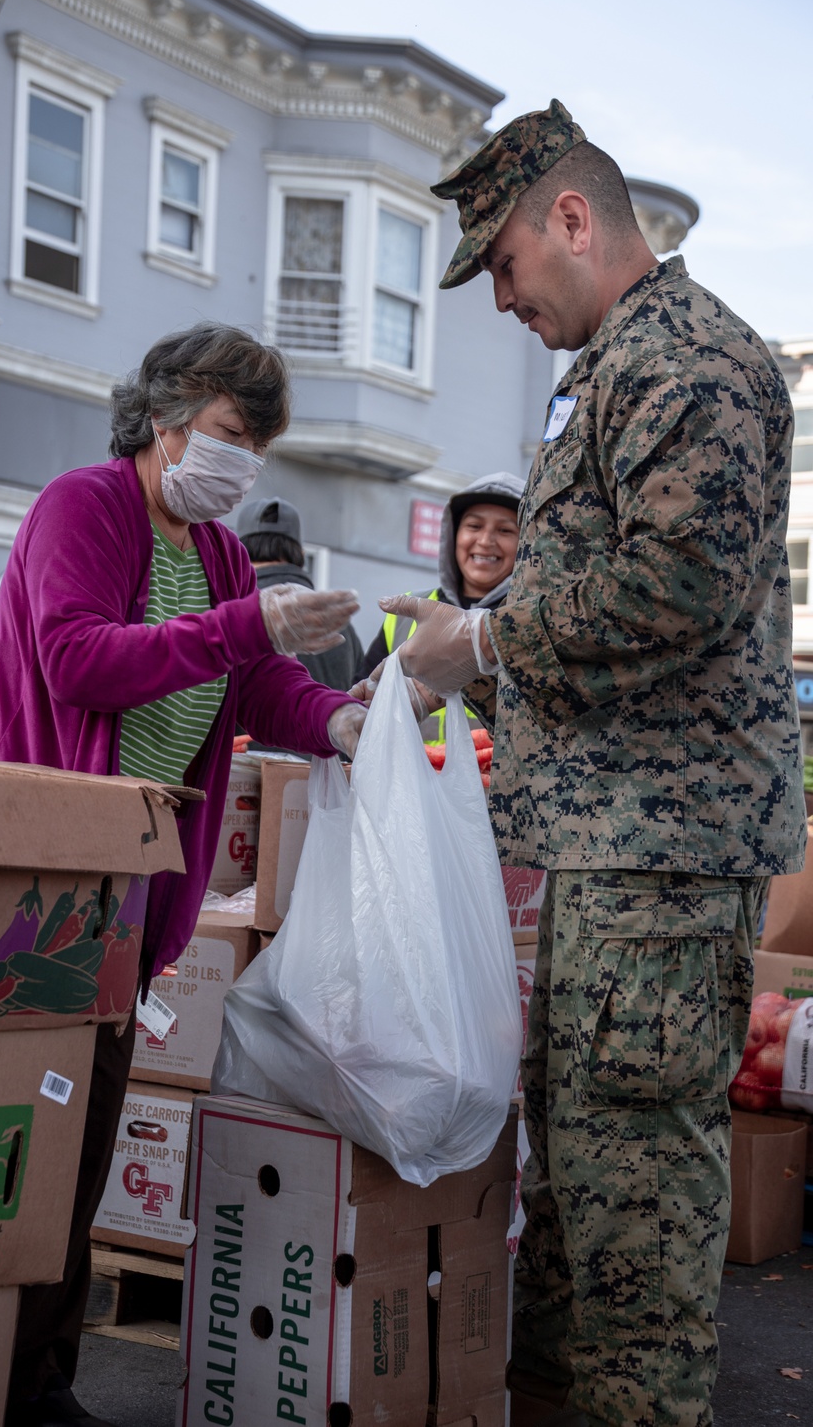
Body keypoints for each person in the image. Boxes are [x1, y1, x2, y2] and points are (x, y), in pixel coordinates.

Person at [374, 102, 805, 1427]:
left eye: (501, 265)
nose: (498, 300)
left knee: (632, 1217)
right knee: (576, 1181)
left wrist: (482, 640)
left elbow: (678, 585)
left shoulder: (686, 362)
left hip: (657, 858)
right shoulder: (617, 365)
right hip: (603, 847)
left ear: (572, 220)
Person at [0, 323, 368, 1427]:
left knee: (75, 1144)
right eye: (231, 435)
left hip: (119, 898)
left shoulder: (219, 552)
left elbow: (258, 690)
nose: (243, 463)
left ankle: (38, 1383)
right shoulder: (82, 507)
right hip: (19, 877)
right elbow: (78, 660)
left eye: (260, 445)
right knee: (13, 1138)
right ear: (164, 419)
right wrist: (238, 627)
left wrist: (341, 719)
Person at [356, 473, 524, 741]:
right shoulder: (405, 614)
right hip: (410, 782)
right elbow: (363, 701)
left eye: (505, 530)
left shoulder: (530, 623)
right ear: (452, 534)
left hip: (493, 782)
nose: (485, 540)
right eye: (474, 526)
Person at [237, 495, 364, 691]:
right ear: (302, 555)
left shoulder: (233, 611)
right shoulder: (339, 623)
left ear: (236, 552)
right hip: (330, 720)